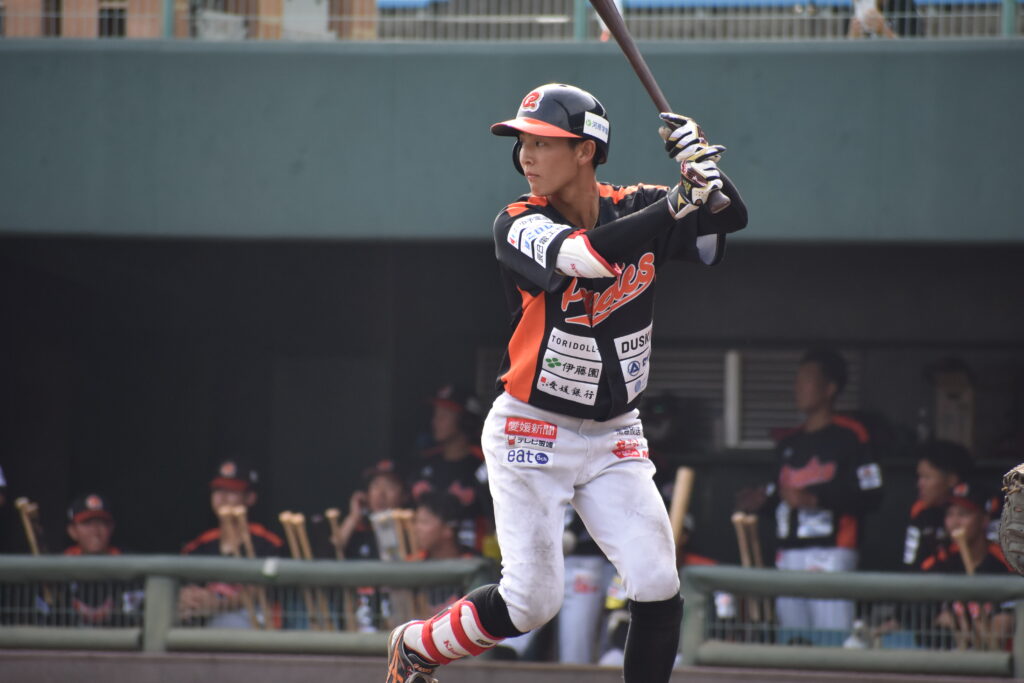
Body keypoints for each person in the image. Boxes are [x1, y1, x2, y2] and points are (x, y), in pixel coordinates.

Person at [385, 82, 747, 683]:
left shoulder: (636, 203)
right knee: (532, 603)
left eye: (542, 143)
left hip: (615, 432)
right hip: (532, 428)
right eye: (522, 143)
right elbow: (584, 258)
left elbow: (730, 218)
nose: (525, 156)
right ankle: (418, 645)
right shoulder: (516, 220)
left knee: (658, 580)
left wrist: (701, 166)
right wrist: (679, 202)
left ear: (585, 151)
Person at [740, 348, 884, 645]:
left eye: (806, 380)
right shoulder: (789, 442)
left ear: (830, 388)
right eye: (797, 379)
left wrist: (814, 499)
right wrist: (761, 502)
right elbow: (779, 494)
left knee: (832, 644)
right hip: (788, 553)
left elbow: (872, 495)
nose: (797, 387)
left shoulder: (851, 435)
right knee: (793, 643)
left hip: (832, 551)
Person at [179, 459, 283, 628]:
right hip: (203, 621)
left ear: (250, 498)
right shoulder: (199, 545)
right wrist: (187, 597)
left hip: (253, 622)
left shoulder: (267, 543)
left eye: (232, 491)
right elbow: (184, 587)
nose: (222, 497)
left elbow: (261, 590)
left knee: (228, 621)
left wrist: (220, 604)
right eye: (218, 490)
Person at [920, 479, 1013, 649]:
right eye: (950, 514)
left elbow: (998, 635)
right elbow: (924, 628)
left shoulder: (1005, 563)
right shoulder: (939, 562)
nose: (955, 522)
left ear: (984, 520)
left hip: (1001, 660)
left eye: (963, 514)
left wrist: (962, 624)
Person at [409, 383, 491, 552]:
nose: (435, 422)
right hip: (425, 557)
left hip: (475, 556)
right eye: (436, 415)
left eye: (444, 416)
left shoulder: (485, 465)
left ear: (465, 420)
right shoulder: (424, 462)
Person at [903, 440, 974, 570]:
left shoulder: (982, 508)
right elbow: (911, 564)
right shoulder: (920, 511)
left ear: (951, 480)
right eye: (919, 477)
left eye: (927, 477)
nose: (920, 484)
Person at [333, 459, 411, 560]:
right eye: (375, 485)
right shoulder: (359, 530)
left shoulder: (412, 531)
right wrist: (353, 517)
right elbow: (329, 554)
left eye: (390, 487)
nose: (381, 494)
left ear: (405, 496)